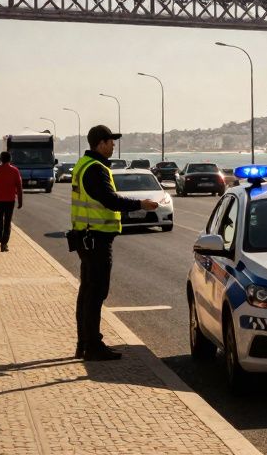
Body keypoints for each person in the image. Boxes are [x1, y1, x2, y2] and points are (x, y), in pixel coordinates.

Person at [71, 125, 158, 361]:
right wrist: (140, 204)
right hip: (95, 238)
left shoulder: (83, 165)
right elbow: (109, 200)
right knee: (96, 292)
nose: (113, 145)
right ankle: (92, 345)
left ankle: (84, 343)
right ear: (100, 143)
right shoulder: (96, 169)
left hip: (86, 237)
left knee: (87, 292)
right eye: (111, 141)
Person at [0, 151, 23, 252]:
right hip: (10, 200)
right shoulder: (15, 171)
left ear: (0, 159)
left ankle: (0, 239)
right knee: (7, 221)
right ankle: (4, 242)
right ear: (10, 159)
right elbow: (19, 187)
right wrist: (20, 201)